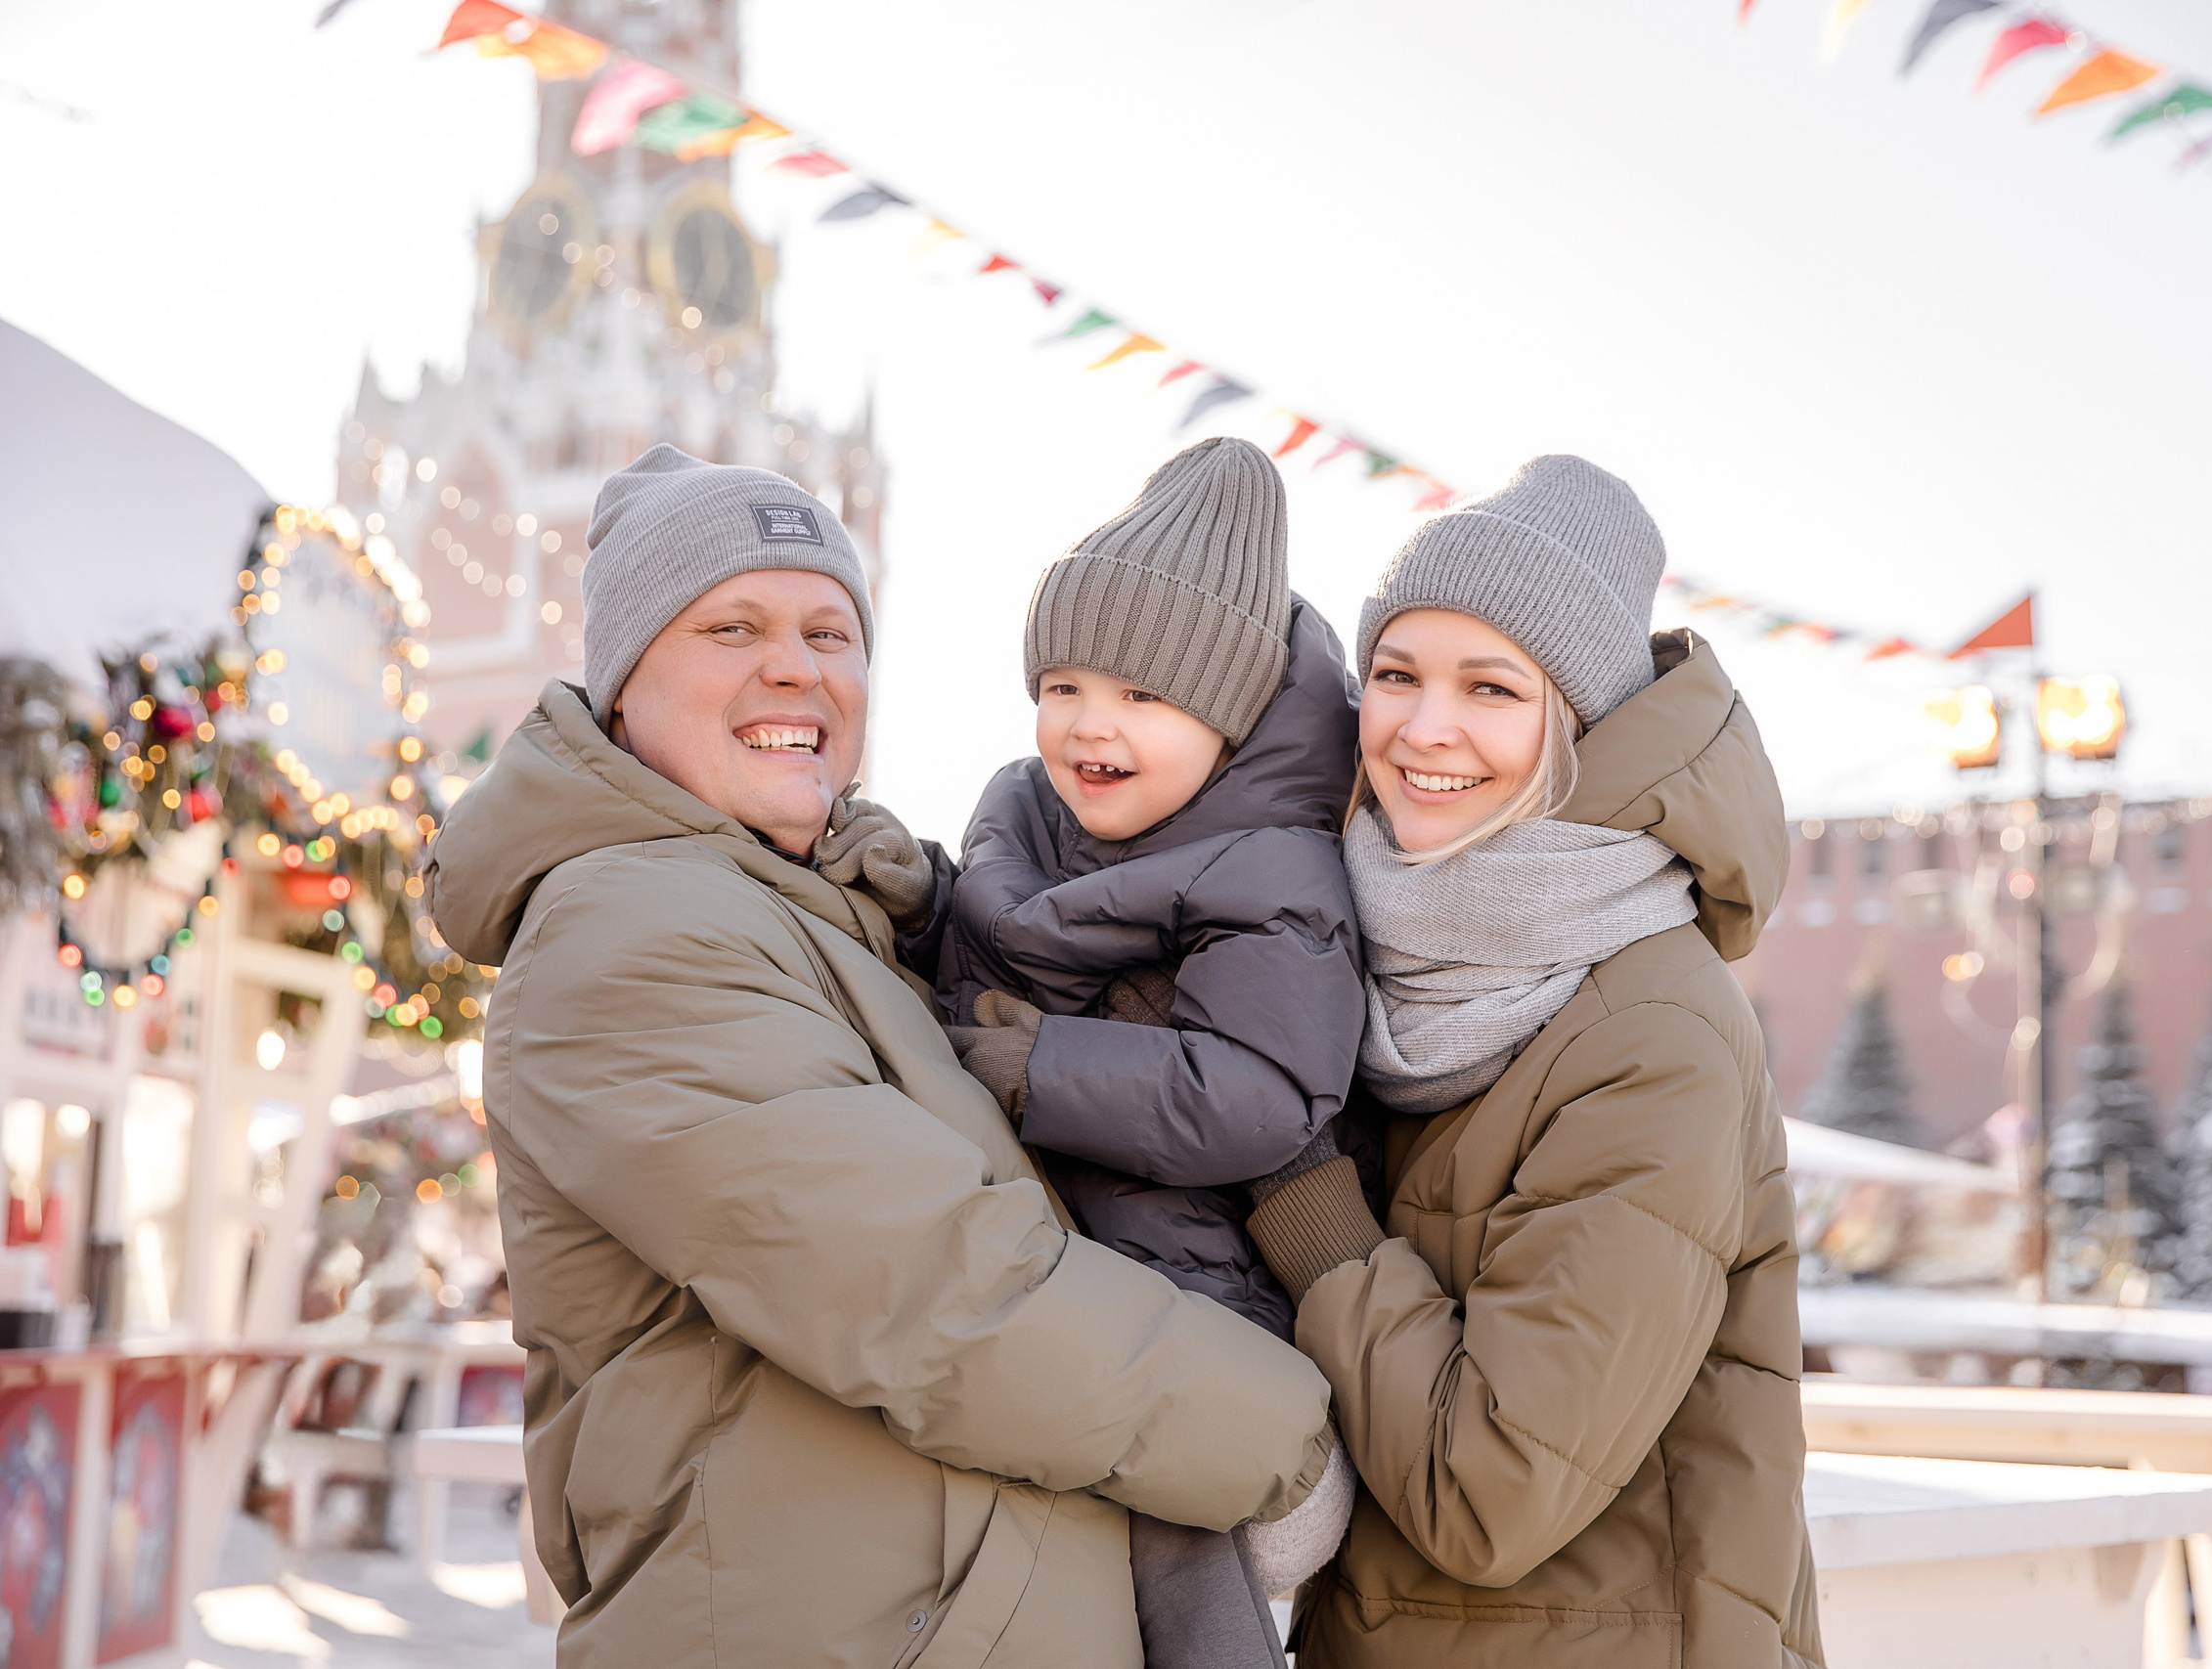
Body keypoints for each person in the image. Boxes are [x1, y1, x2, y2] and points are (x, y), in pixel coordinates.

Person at [422, 444, 1334, 1669]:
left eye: (829, 631)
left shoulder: (818, 916)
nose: (794, 665)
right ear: (625, 680)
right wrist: (1290, 1432)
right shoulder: (629, 933)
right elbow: (941, 1292)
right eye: (731, 626)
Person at [1242, 456, 1828, 1667]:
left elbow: (1490, 1487)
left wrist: (1303, 1206)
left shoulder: (1651, 1040)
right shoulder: (1366, 956)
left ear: (1579, 721)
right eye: (1394, 674)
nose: (1424, 727)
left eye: (1491, 687)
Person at [936, 438, 1362, 1669]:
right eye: (1062, 684)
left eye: (1141, 697)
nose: (1090, 724)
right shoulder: (1029, 818)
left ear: (1225, 722)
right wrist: (910, 892)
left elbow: (1261, 1093)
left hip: (1190, 1288)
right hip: (1044, 1266)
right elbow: (968, 953)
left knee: (1174, 1557)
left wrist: (1033, 1073)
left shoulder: (1274, 875)